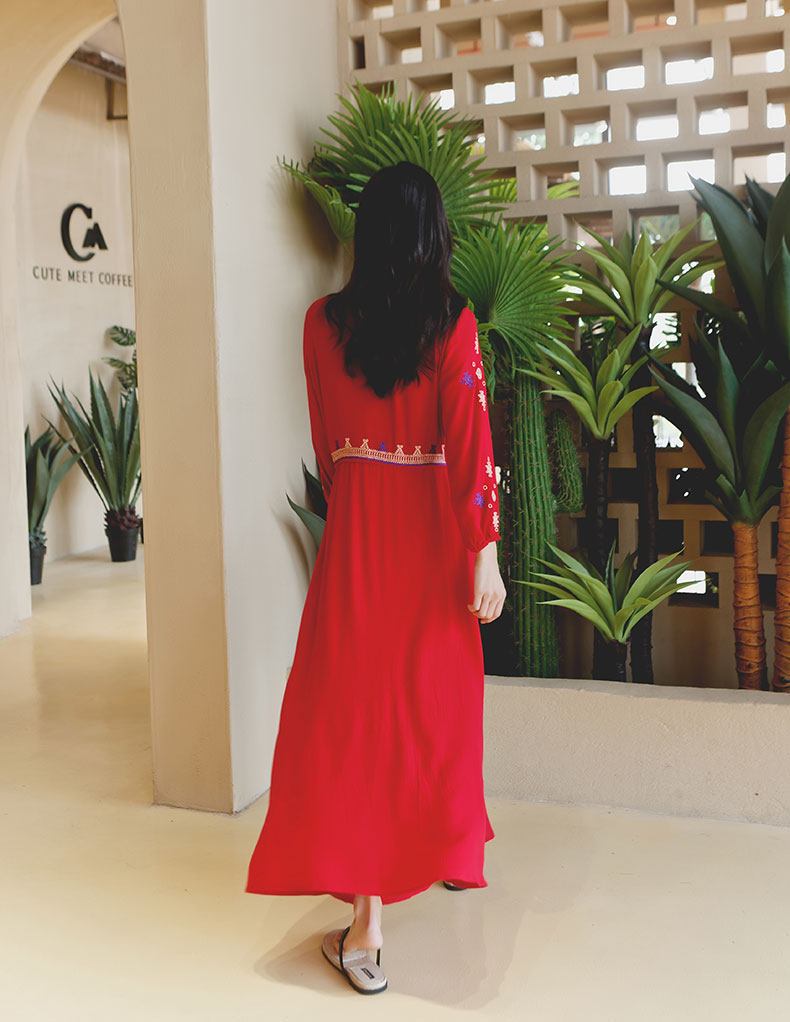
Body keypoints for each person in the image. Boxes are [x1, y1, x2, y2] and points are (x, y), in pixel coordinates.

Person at [245, 161, 507, 995]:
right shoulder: (452, 323)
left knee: (353, 718)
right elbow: (470, 441)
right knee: (431, 712)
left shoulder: (321, 324)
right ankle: (433, 855)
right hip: (431, 544)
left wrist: (362, 487)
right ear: (435, 236)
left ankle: (367, 921)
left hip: (357, 542)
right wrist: (485, 548)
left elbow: (326, 448)